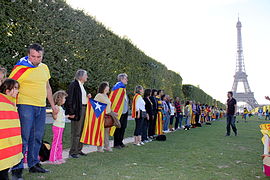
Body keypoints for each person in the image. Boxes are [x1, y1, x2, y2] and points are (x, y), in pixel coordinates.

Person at [10, 43, 57, 176]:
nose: (36, 59)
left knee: (37, 137)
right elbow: (11, 87)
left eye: (39, 57)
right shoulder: (21, 68)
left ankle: (34, 164)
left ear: (42, 56)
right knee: (23, 138)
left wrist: (52, 105)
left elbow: (48, 87)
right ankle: (17, 168)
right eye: (33, 56)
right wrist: (12, 105)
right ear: (28, 55)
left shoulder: (44, 68)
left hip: (41, 107)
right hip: (25, 105)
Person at [0, 79, 23, 180]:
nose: (17, 91)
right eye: (15, 88)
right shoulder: (4, 104)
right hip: (3, 147)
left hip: (8, 146)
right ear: (7, 91)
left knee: (4, 171)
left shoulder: (12, 104)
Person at [65, 69, 91, 158]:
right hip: (77, 111)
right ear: (81, 76)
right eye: (86, 75)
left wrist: (87, 97)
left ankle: (79, 149)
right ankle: (73, 152)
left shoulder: (82, 86)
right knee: (76, 132)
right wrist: (71, 112)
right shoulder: (74, 85)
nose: (87, 77)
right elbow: (69, 99)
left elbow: (80, 99)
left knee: (82, 131)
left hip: (83, 109)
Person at [94, 82, 117, 152]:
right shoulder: (99, 95)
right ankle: (99, 147)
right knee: (100, 132)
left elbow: (108, 107)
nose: (109, 88)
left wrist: (113, 113)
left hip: (108, 116)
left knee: (106, 132)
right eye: (107, 86)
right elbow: (95, 105)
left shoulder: (106, 96)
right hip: (101, 116)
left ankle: (107, 146)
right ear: (104, 87)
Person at [49, 90, 69, 164]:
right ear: (60, 99)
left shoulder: (60, 108)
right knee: (56, 143)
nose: (65, 99)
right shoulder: (56, 108)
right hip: (57, 127)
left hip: (61, 127)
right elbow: (55, 117)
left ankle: (59, 157)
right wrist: (54, 114)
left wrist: (68, 116)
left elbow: (61, 117)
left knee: (59, 143)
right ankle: (53, 159)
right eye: (64, 98)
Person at [112, 73, 129, 149]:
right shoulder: (118, 87)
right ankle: (116, 143)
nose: (127, 80)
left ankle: (120, 142)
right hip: (119, 111)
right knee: (118, 127)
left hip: (125, 111)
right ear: (121, 79)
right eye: (126, 78)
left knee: (123, 127)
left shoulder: (123, 88)